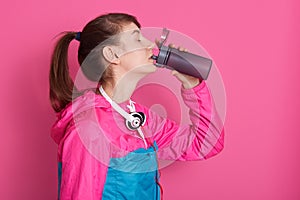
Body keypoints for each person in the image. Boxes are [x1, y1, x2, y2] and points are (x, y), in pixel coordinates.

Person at [49, 12, 224, 200]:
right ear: (112, 54)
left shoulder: (138, 117)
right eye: (138, 39)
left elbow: (205, 144)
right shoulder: (89, 130)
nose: (150, 44)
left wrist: (193, 85)